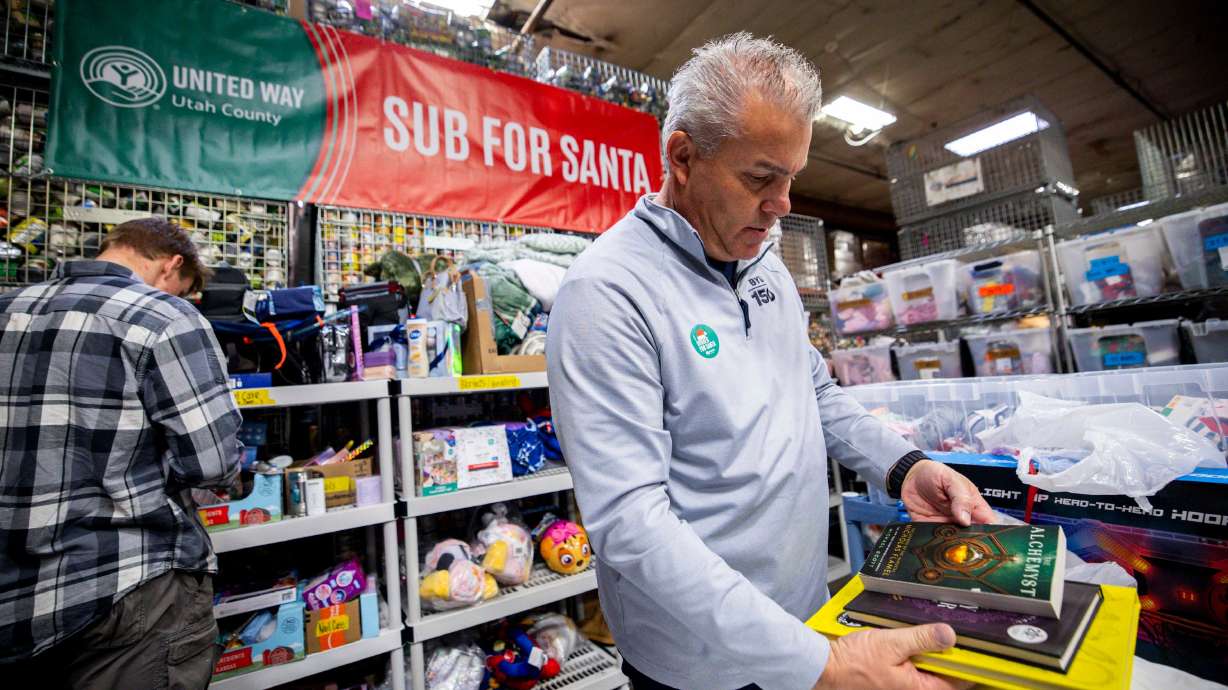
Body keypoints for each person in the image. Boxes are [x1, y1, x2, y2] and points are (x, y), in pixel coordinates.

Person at [546, 33, 994, 690]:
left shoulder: (763, 260)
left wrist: (902, 467)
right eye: (761, 177)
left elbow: (810, 388)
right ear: (682, 157)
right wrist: (820, 664)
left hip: (805, 620)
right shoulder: (608, 294)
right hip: (701, 663)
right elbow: (631, 524)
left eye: (791, 178)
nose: (783, 204)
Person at [0, 217, 244, 689]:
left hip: (16, 596)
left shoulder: (7, 308)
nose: (183, 298)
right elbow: (212, 463)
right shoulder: (164, 316)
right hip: (127, 586)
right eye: (184, 287)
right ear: (172, 264)